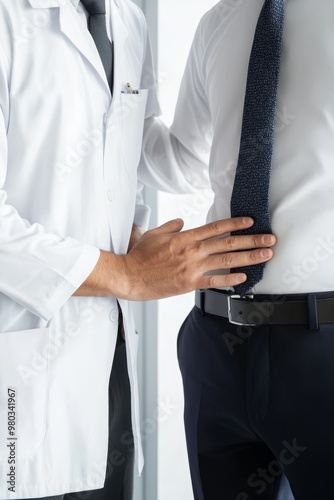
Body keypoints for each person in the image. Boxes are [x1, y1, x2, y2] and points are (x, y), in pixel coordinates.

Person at [0, 1, 276, 499]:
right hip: (23, 355)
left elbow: (158, 156)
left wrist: (229, 52)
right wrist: (127, 274)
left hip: (107, 354)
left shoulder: (126, 18)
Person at [139, 0, 334, 499]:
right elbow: (179, 161)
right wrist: (121, 86)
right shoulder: (221, 21)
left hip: (323, 345)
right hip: (216, 345)